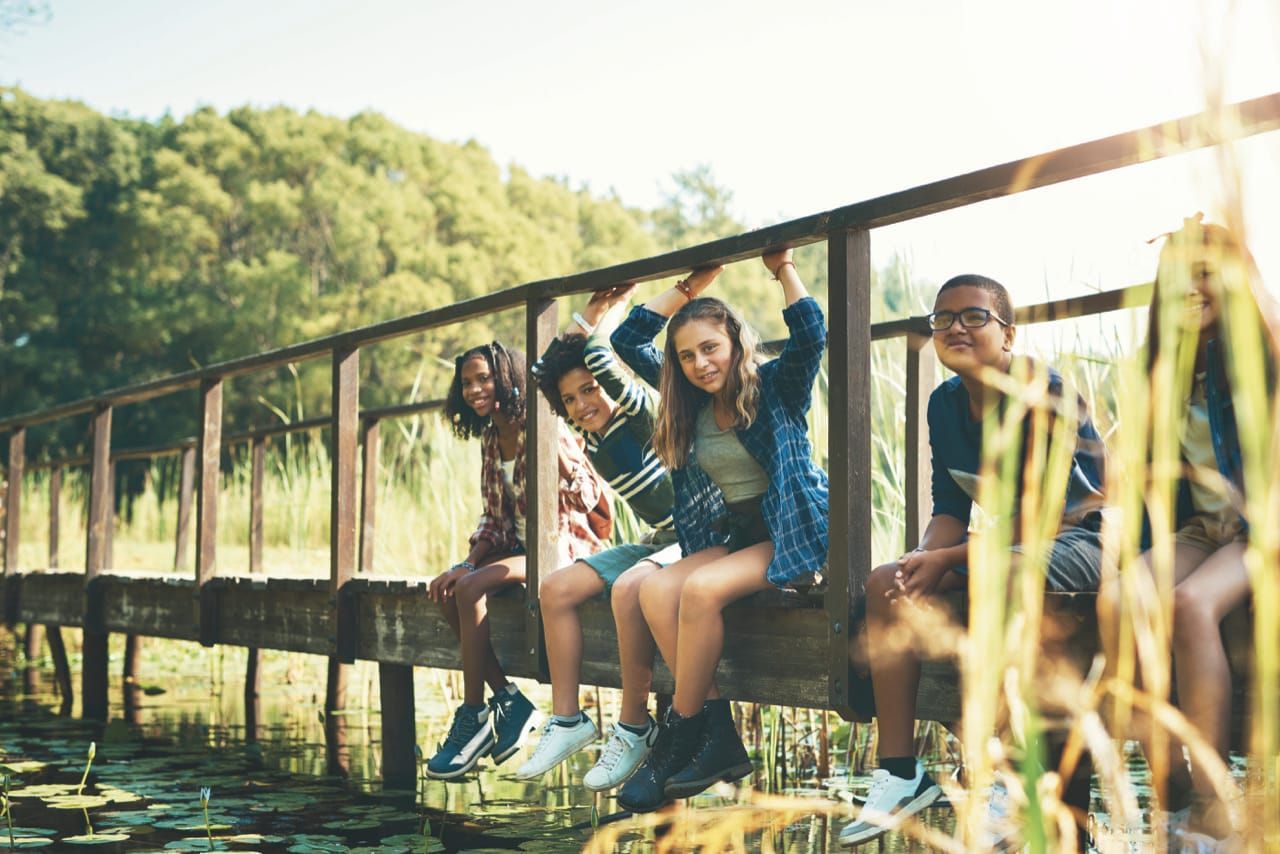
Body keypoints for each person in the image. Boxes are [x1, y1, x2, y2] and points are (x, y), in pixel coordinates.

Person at [838, 274, 1107, 847]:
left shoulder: (1043, 390)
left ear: (1008, 334)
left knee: (1003, 572)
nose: (956, 326)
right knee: (888, 580)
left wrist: (955, 559)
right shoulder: (944, 404)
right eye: (943, 318)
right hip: (1007, 546)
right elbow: (950, 508)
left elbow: (1049, 513)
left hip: (1083, 541)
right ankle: (899, 772)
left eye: (974, 316)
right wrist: (922, 558)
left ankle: (1012, 778)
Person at [609, 249, 830, 813]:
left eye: (710, 347)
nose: (700, 364)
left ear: (734, 341)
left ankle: (681, 734)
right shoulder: (691, 406)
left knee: (700, 590)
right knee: (658, 588)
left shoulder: (776, 386)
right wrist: (688, 288)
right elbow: (628, 340)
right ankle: (716, 735)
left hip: (793, 531)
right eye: (687, 356)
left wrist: (782, 268)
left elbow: (811, 333)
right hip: (735, 539)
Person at [1096, 217, 1275, 848]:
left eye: (1205, 273)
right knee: (1119, 599)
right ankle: (1168, 793)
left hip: (1265, 532)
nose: (1191, 289)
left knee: (1191, 605)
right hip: (1205, 528)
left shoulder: (1266, 358)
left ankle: (1216, 801)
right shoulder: (1159, 371)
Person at [514, 285, 683, 790]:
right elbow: (543, 374)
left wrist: (597, 317)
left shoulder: (640, 413)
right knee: (555, 590)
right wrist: (588, 312)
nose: (583, 403)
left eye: (589, 390)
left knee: (631, 586)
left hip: (698, 538)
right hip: (660, 541)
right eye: (571, 399)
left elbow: (600, 363)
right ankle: (569, 720)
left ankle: (635, 725)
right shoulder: (588, 433)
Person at [424, 341, 608, 780]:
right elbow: (494, 517)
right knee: (453, 588)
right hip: (521, 551)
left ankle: (473, 716)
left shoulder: (541, 426)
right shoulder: (491, 438)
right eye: (466, 383)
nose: (474, 389)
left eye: (483, 378)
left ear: (506, 377)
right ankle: (507, 698)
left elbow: (588, 499)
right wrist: (468, 563)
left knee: (470, 587)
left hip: (564, 549)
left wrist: (564, 461)